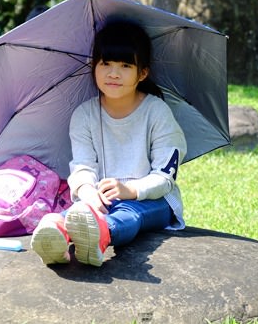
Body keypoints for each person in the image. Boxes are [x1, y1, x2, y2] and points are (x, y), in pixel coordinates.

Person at [30, 20, 187, 267]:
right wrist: (87, 192)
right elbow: (82, 166)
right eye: (105, 64)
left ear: (142, 73)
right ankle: (57, 231)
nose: (113, 73)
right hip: (103, 199)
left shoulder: (157, 113)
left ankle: (103, 233)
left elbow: (165, 177)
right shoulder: (84, 115)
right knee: (81, 211)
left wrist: (131, 190)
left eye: (125, 65)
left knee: (129, 214)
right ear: (94, 67)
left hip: (154, 200)